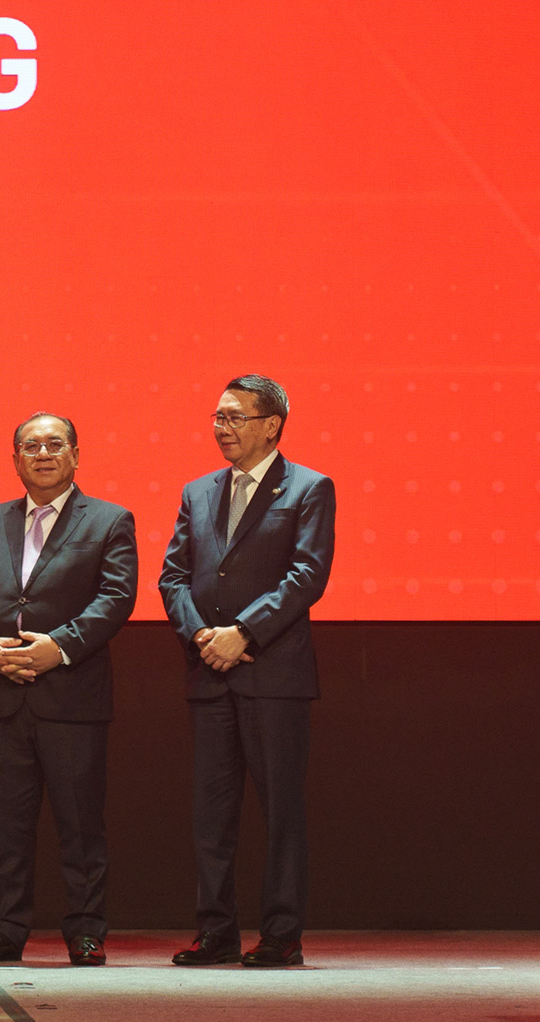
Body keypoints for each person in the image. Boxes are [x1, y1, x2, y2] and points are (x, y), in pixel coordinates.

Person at [0, 412, 137, 966]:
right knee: (5, 823)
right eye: (31, 446)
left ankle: (84, 930)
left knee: (80, 824)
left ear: (76, 455)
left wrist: (58, 646)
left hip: (72, 695)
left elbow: (116, 597)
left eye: (56, 444)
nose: (44, 454)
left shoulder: (108, 520)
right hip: (2, 694)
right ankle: (4, 930)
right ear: (15, 460)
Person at [159, 374, 335, 968]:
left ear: (272, 425)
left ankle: (282, 935)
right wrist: (201, 634)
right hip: (209, 671)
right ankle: (217, 931)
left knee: (281, 810)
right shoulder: (198, 490)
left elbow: (307, 575)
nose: (221, 427)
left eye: (234, 417)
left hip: (274, 675)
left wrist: (245, 632)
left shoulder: (308, 487)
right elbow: (173, 577)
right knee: (212, 815)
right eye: (217, 416)